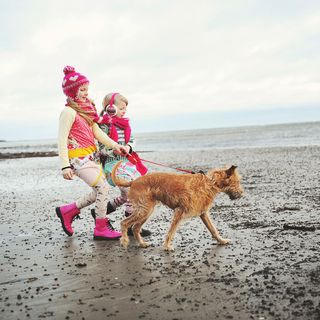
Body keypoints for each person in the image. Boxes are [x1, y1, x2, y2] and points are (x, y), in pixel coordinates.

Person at [56, 66, 127, 240]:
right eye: (82, 90)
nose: (86, 93)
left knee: (99, 192)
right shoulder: (68, 112)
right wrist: (65, 165)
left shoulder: (86, 110)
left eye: (87, 89)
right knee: (102, 187)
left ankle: (68, 211)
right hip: (77, 159)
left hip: (91, 158)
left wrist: (116, 146)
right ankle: (100, 227)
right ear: (72, 91)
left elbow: (98, 133)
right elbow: (61, 140)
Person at [93, 92, 151, 237]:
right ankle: (130, 225)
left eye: (126, 108)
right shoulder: (104, 125)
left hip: (126, 162)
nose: (125, 111)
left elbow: (131, 140)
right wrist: (115, 151)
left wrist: (128, 148)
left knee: (128, 195)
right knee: (130, 193)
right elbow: (102, 148)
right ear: (111, 108)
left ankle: (102, 211)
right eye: (122, 108)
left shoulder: (125, 124)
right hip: (112, 164)